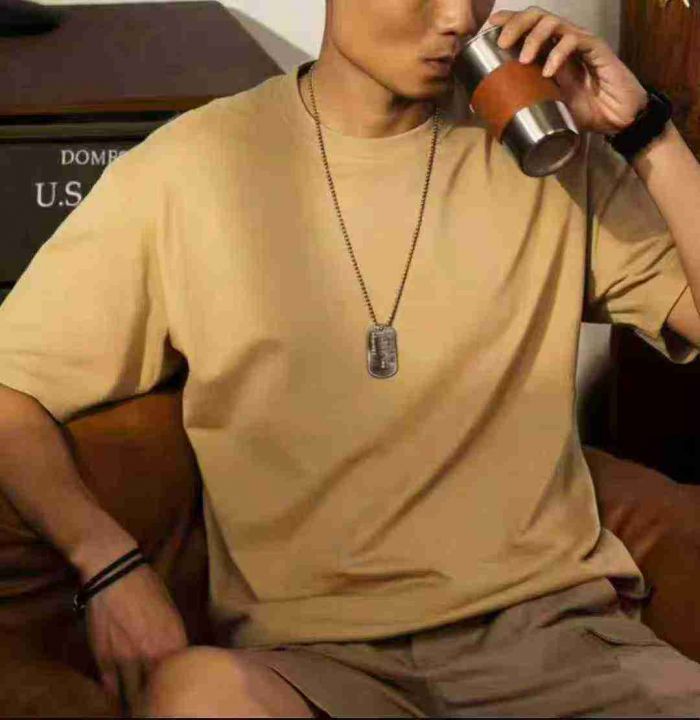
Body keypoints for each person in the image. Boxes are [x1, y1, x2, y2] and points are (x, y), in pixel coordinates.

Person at [2, 0, 700, 716]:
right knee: (196, 696)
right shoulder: (189, 171)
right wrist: (107, 562)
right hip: (317, 662)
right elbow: (9, 391)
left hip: (556, 644)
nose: (458, 18)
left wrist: (647, 133)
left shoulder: (546, 152)